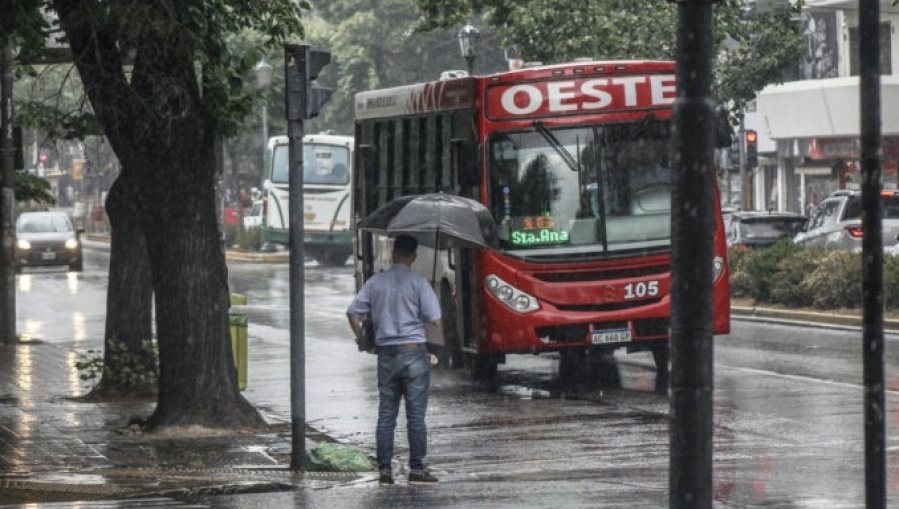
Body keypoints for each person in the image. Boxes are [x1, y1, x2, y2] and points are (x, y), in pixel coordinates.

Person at [346, 234, 442, 486]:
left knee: (386, 415)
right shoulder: (419, 283)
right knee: (416, 417)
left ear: (392, 253)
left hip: (386, 354)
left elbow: (352, 312)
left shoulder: (375, 283)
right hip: (414, 353)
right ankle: (417, 470)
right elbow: (435, 319)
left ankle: (385, 471)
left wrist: (362, 341)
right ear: (414, 257)